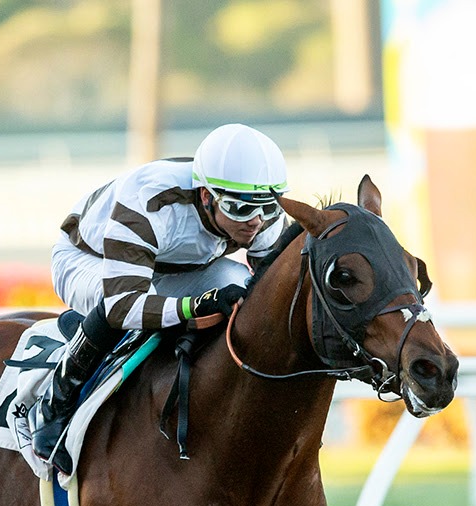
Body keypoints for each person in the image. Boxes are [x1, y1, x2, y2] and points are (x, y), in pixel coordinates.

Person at [34, 122, 290, 472]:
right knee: (124, 306)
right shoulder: (150, 199)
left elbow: (272, 294)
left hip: (173, 268)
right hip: (89, 260)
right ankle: (55, 402)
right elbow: (125, 304)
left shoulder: (258, 208)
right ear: (205, 195)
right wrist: (194, 307)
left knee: (244, 289)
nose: (256, 223)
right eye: (240, 210)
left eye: (267, 208)